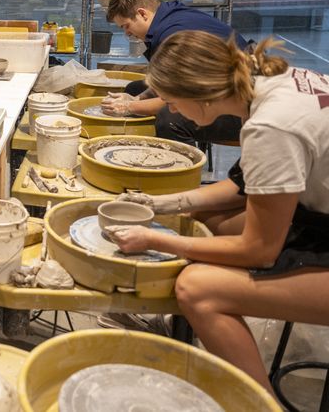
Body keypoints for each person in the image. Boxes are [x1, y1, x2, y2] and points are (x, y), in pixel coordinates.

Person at [107, 30, 329, 396]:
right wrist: (164, 204)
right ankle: (199, 328)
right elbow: (246, 187)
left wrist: (155, 239)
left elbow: (259, 251)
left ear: (202, 96)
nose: (172, 110)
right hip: (317, 214)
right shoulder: (267, 81)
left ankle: (258, 403)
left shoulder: (270, 126)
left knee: (197, 288)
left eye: (173, 101)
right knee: (207, 221)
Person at [102, 0, 249, 146]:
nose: (127, 33)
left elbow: (177, 97)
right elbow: (169, 83)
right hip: (220, 88)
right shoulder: (169, 16)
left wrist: (130, 106)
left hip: (237, 102)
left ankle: (179, 168)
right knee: (135, 88)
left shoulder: (172, 34)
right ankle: (142, 145)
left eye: (126, 26)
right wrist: (137, 98)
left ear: (142, 14)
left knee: (169, 119)